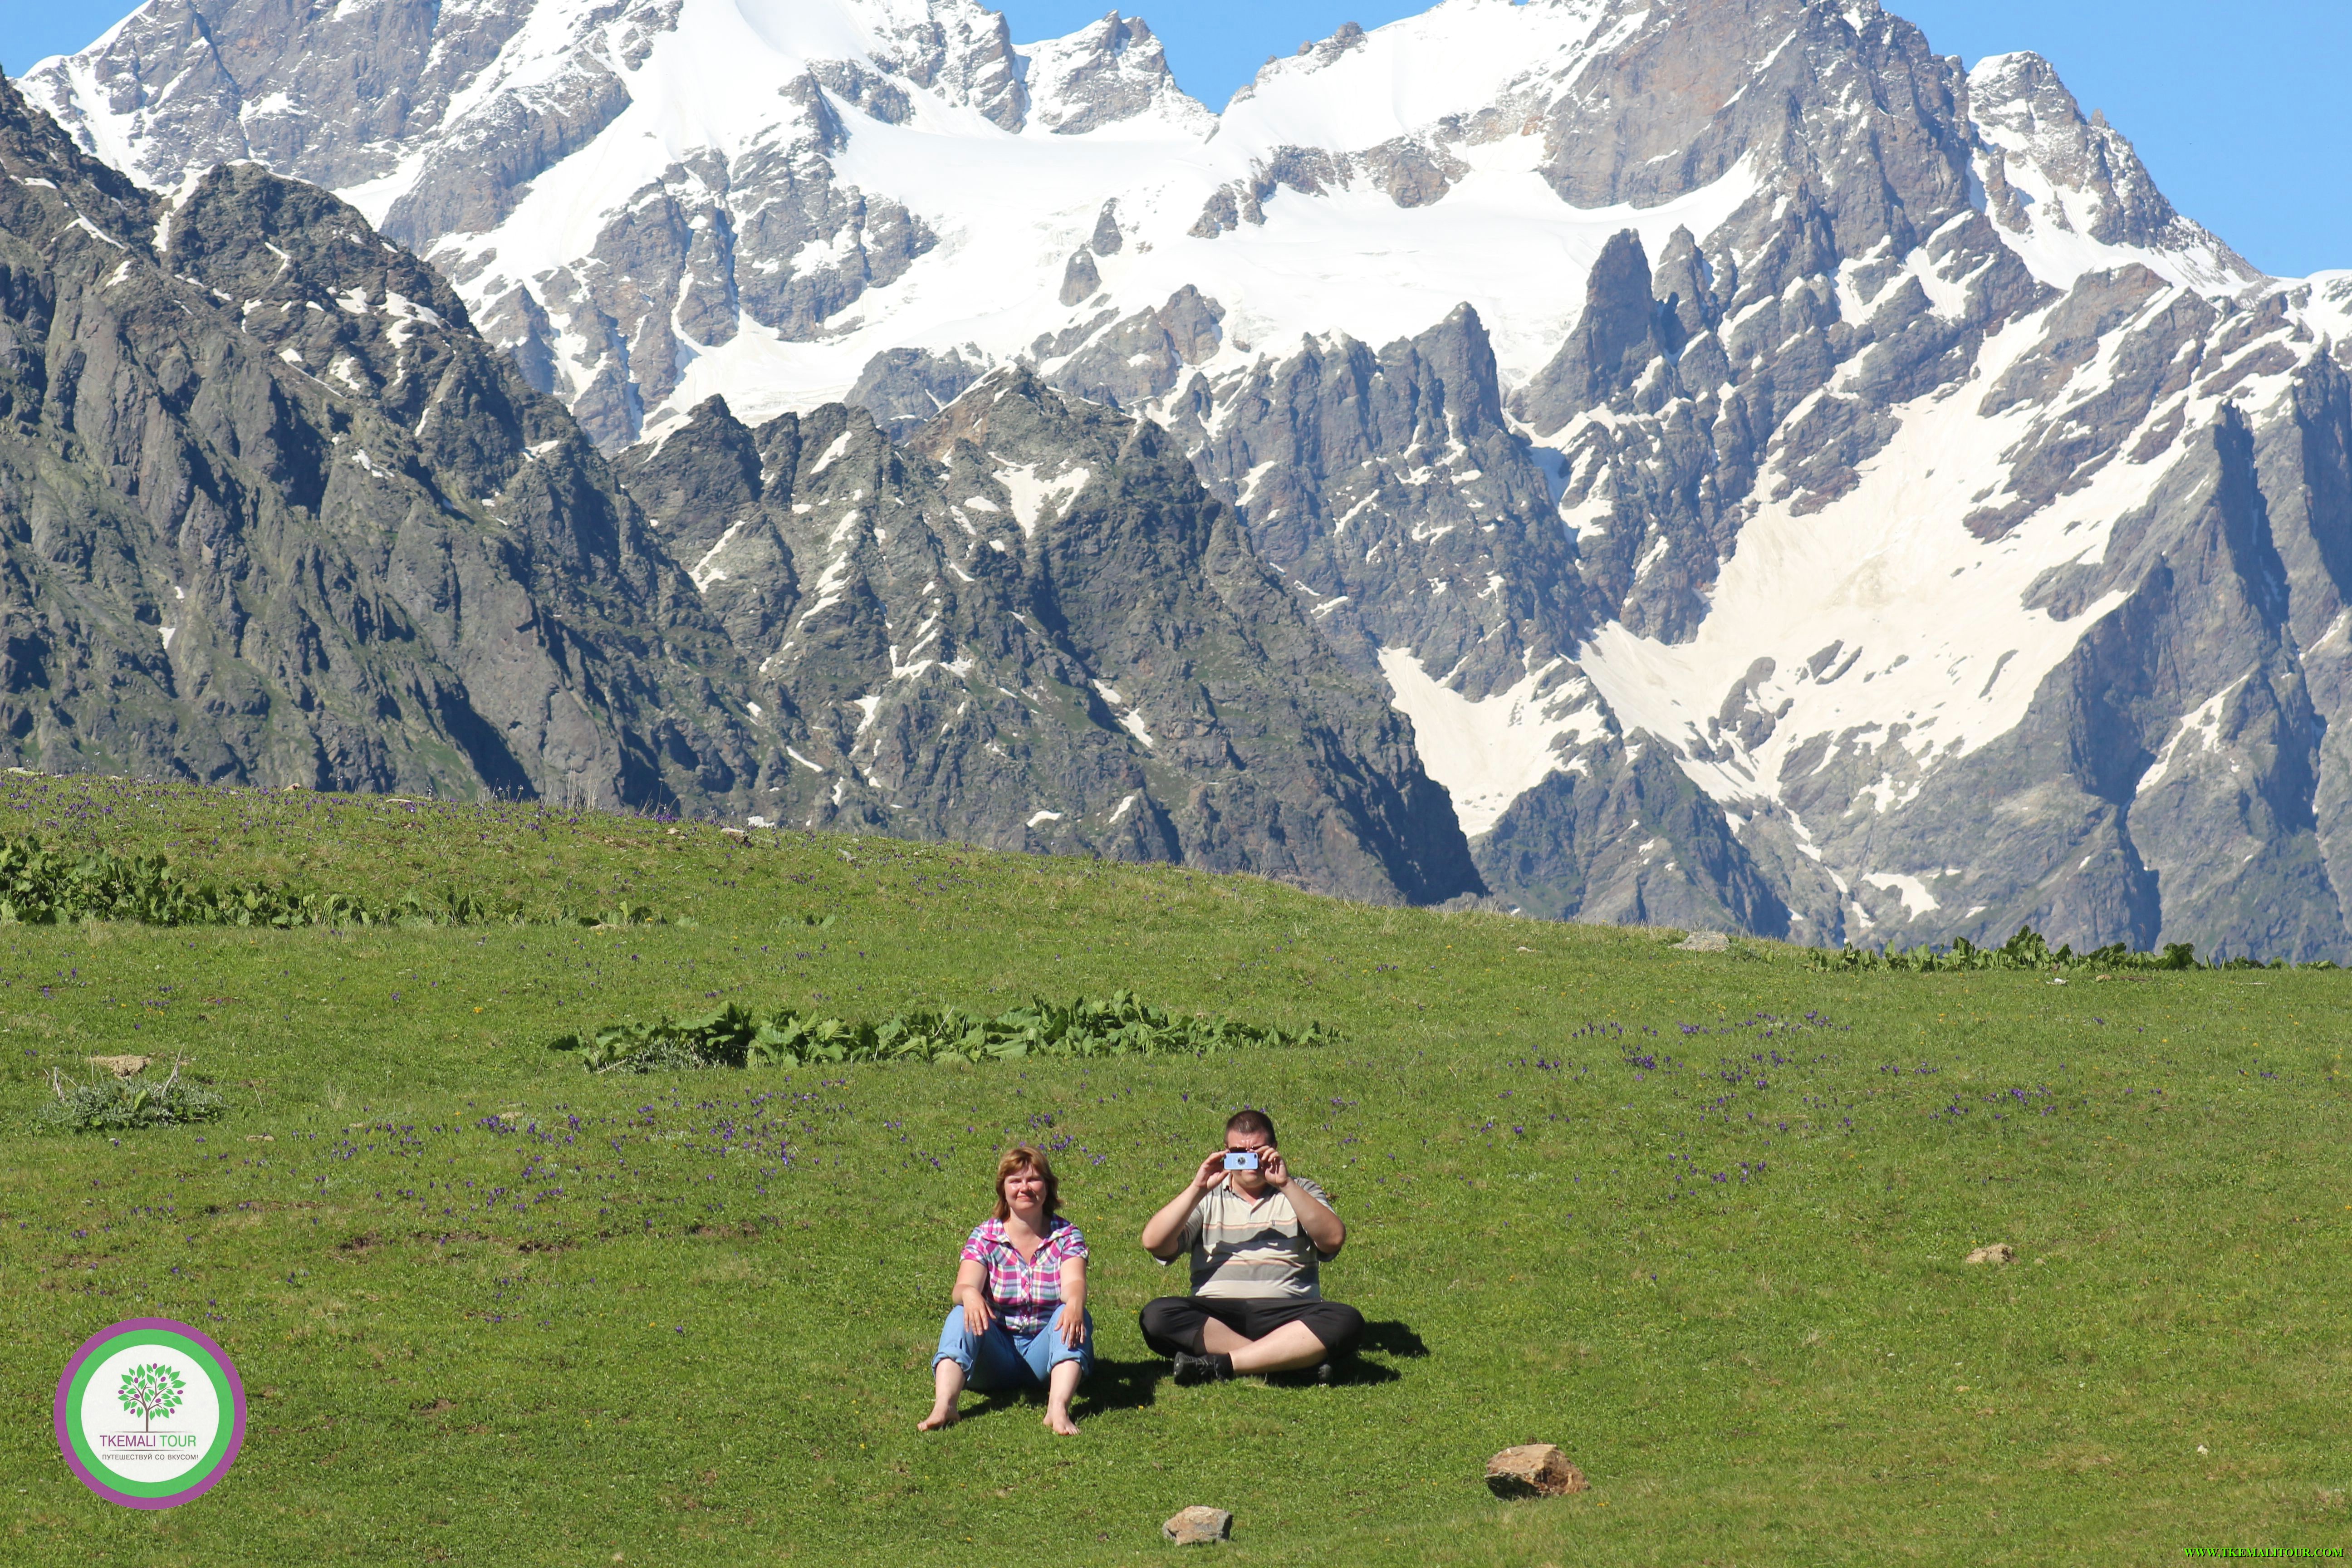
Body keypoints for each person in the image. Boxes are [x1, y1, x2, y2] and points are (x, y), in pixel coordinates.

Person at [1138, 1108, 1363, 1383]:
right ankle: (1287, 1363)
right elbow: (1154, 1243)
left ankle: (1220, 1364)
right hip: (1218, 1315)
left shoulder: (1301, 1190)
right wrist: (1198, 1187)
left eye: (1257, 1152)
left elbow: (1333, 1239)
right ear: (1225, 1153)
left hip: (1289, 1312)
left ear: (1275, 1150)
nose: (1249, 1162)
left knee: (1345, 1319)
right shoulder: (1208, 1197)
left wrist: (1286, 1185)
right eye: (1238, 1153)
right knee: (1158, 1315)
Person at [920, 1143, 1093, 1435]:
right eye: (1015, 1181)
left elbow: (1074, 1283)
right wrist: (971, 1294)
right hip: (995, 1355)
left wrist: (1076, 1301)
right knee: (960, 1313)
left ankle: (1058, 1407)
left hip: (1045, 1355)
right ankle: (945, 1406)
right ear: (1004, 1190)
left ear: (1047, 1187)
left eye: (1033, 1179)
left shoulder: (1066, 1235)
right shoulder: (986, 1236)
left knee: (1072, 1312)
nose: (1024, 1188)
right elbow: (962, 1286)